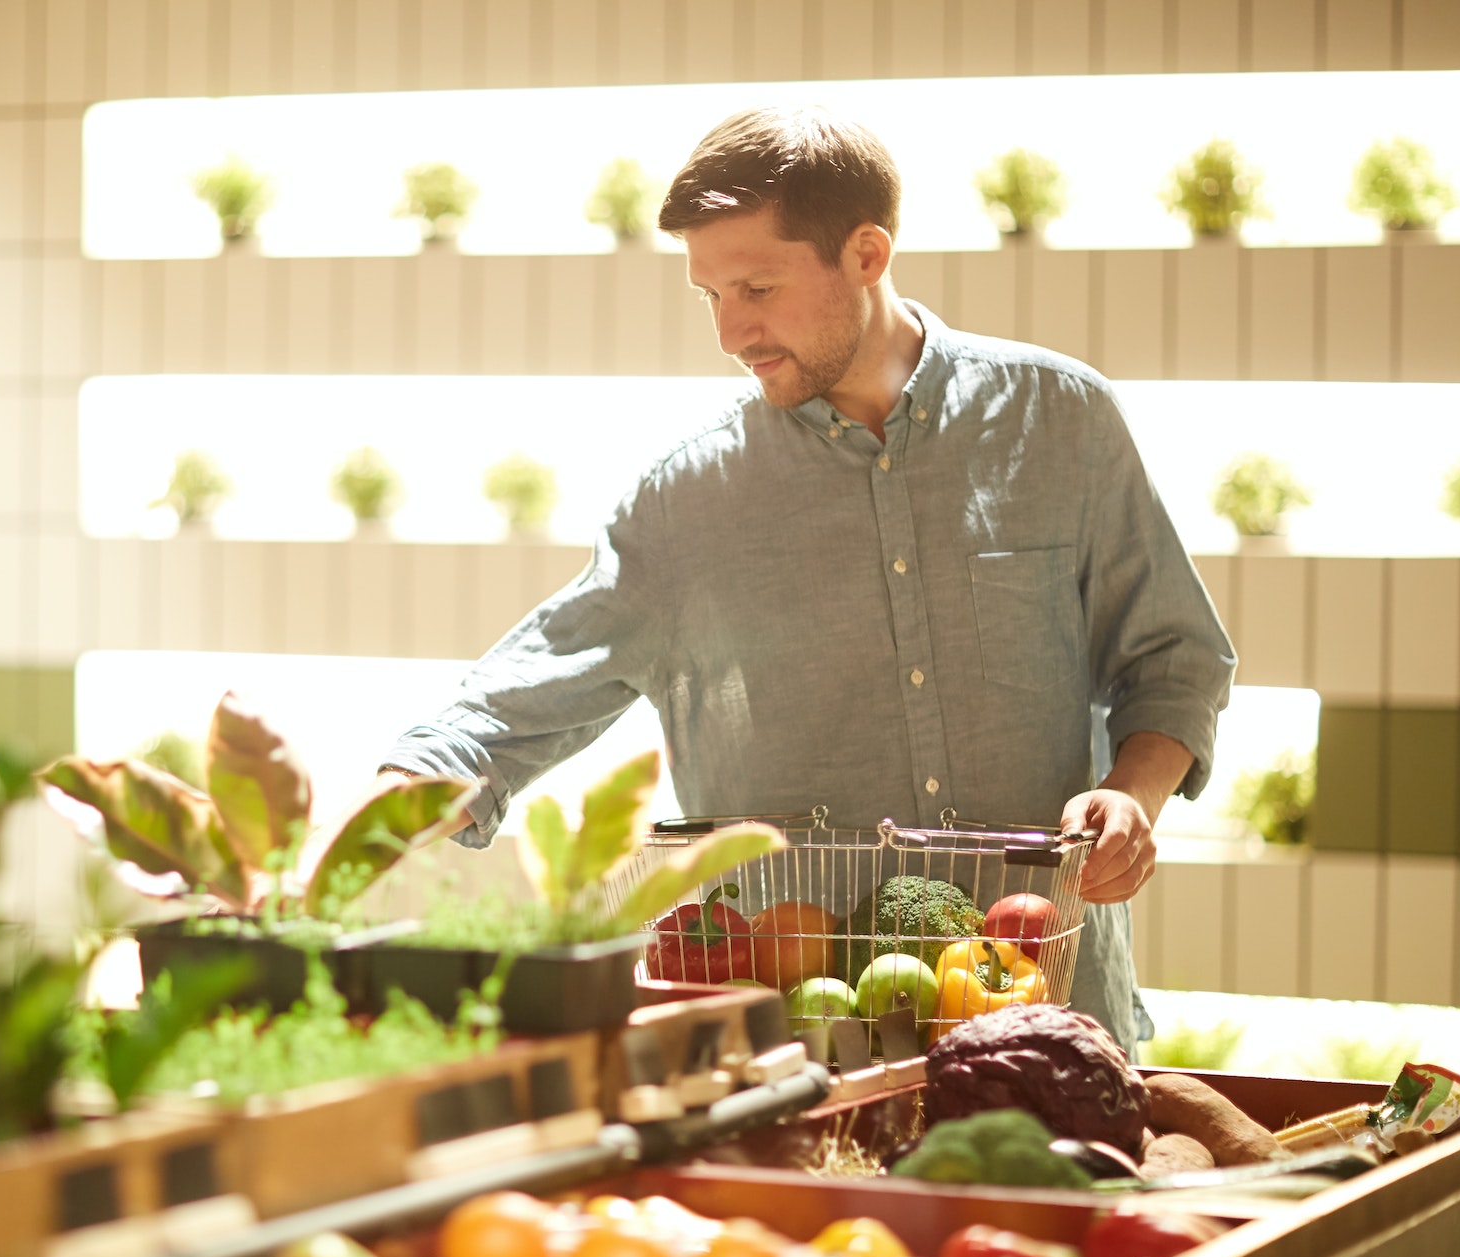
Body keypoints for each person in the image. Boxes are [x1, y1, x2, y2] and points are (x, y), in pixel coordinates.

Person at [379, 105, 1234, 1054]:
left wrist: (1134, 793)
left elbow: (1174, 657)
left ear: (866, 254)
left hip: (1055, 1019)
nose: (731, 330)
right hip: (807, 1051)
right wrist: (370, 807)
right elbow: (512, 705)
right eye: (709, 295)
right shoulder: (684, 499)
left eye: (757, 286)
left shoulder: (1061, 419)